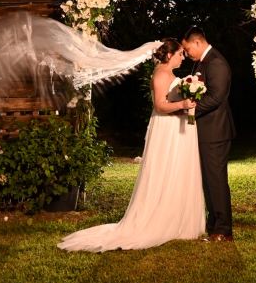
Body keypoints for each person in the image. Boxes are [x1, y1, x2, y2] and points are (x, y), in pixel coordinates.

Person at [58, 38, 205, 252]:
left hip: (176, 127)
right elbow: (160, 105)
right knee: (165, 170)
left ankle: (178, 217)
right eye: (180, 54)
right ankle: (163, 218)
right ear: (169, 55)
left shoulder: (169, 74)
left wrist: (186, 102)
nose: (183, 57)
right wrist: (183, 104)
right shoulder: (161, 74)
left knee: (176, 170)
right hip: (166, 128)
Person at [181, 26, 236, 242]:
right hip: (206, 131)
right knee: (208, 180)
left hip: (216, 131)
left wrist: (189, 109)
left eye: (187, 49)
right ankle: (213, 224)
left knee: (216, 180)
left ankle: (223, 229)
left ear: (197, 42)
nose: (187, 54)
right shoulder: (201, 63)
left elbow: (216, 97)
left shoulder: (216, 63)